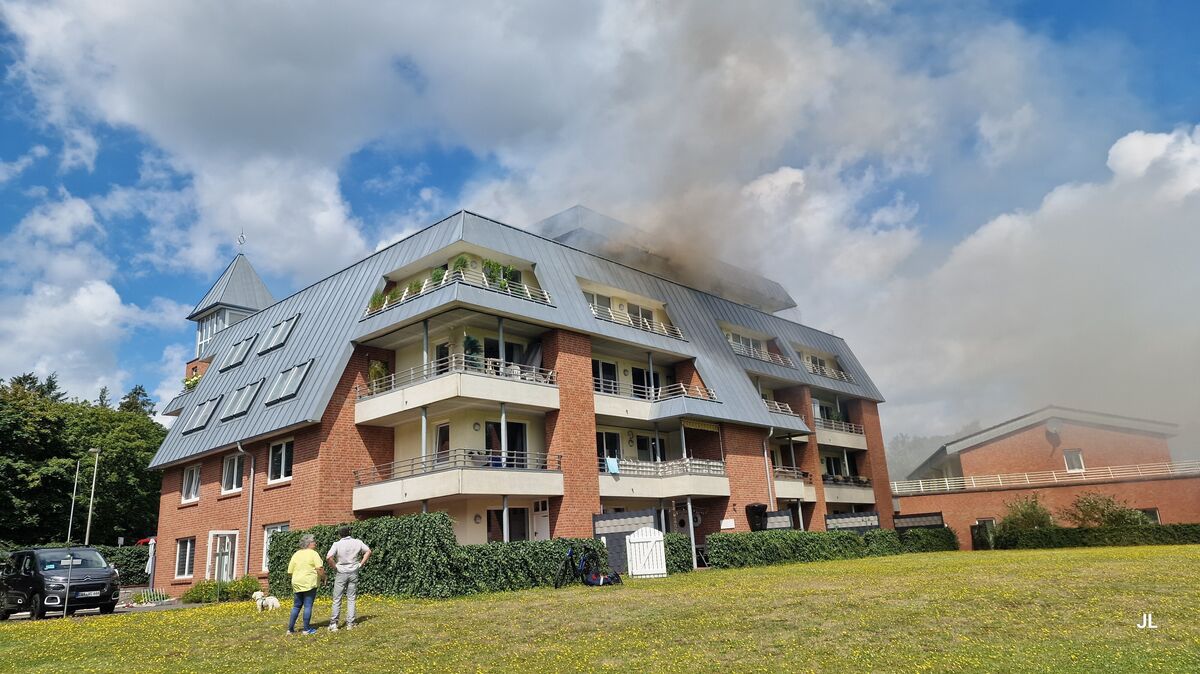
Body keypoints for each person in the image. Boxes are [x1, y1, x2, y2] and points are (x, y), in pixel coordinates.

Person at [325, 525, 371, 631]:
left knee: (337, 598)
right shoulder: (357, 542)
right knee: (351, 598)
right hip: (354, 571)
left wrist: (335, 567)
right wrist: (360, 564)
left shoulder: (337, 544)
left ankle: (334, 624)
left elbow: (329, 557)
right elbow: (368, 551)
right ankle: (350, 623)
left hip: (341, 572)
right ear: (349, 532)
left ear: (340, 534)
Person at [286, 534, 326, 635]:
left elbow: (290, 571)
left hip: (297, 582)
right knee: (308, 606)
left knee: (296, 606)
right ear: (309, 544)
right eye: (314, 542)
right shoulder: (313, 553)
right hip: (309, 582)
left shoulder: (296, 554)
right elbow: (319, 568)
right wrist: (324, 578)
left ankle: (290, 629)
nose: (315, 543)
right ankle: (306, 629)